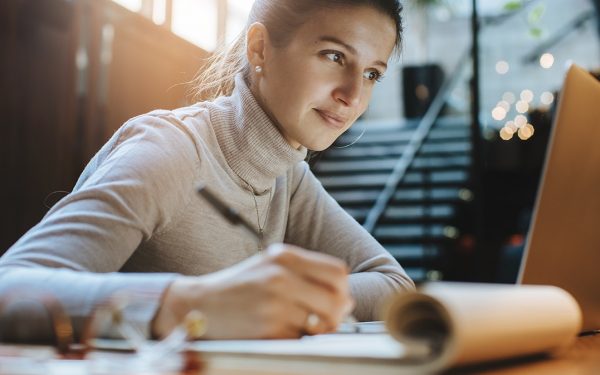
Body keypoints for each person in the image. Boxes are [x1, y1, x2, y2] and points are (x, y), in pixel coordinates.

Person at [0, 0, 414, 342]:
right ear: (260, 50)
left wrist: (288, 298)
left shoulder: (289, 176)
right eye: (334, 56)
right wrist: (190, 304)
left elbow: (394, 286)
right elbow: (10, 286)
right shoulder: (172, 149)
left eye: (372, 73)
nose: (353, 96)